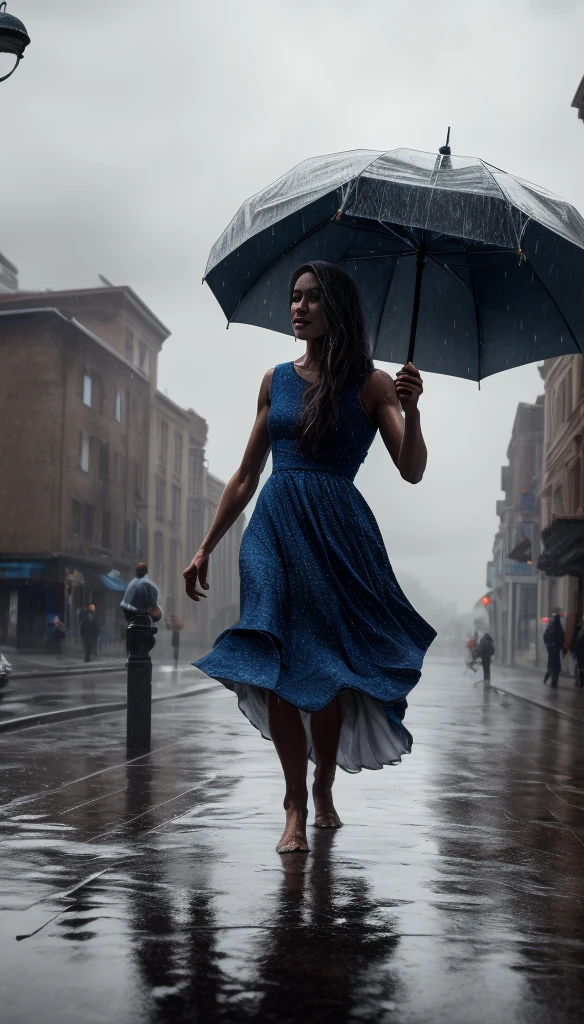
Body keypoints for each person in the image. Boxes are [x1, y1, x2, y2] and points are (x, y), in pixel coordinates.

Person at [184, 260, 435, 855]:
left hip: (335, 535)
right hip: (273, 527)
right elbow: (246, 476)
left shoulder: (373, 385)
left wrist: (414, 408)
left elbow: (413, 469)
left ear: (337, 308)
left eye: (311, 299)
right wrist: (204, 547)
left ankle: (323, 786)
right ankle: (294, 803)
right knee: (274, 662)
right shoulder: (275, 380)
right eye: (293, 298)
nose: (297, 308)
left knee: (322, 675)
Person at [543, 611, 564, 687]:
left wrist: (548, 645)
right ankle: (553, 681)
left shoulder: (550, 627)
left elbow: (545, 636)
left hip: (552, 649)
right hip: (555, 650)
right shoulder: (558, 627)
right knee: (555, 666)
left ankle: (550, 678)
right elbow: (561, 637)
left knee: (552, 664)